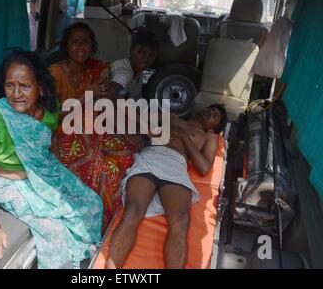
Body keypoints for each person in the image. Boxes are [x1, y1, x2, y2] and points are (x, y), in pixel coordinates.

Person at [0, 50, 103, 269]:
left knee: (92, 204)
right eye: (10, 85)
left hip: (44, 173)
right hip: (10, 182)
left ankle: (82, 259)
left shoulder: (50, 111)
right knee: (54, 231)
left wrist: (62, 175)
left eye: (25, 86)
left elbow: (49, 142)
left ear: (40, 88)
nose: (16, 94)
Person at [106, 104, 228, 269]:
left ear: (214, 128)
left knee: (181, 220)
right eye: (210, 108)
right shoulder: (171, 118)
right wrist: (149, 128)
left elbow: (204, 167)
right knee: (133, 210)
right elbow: (135, 115)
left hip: (176, 164)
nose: (210, 111)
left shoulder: (209, 138)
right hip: (151, 156)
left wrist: (184, 136)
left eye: (215, 116)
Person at [48, 23, 138, 232]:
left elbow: (121, 70)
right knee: (105, 169)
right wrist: (87, 94)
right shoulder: (54, 73)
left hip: (92, 130)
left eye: (86, 43)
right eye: (75, 42)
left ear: (92, 46)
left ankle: (117, 219)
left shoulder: (96, 70)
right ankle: (96, 225)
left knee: (128, 154)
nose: (81, 47)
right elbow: (52, 117)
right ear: (66, 46)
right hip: (63, 134)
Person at [106, 28, 159, 102]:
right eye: (141, 52)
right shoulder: (125, 73)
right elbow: (107, 101)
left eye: (151, 55)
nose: (146, 58)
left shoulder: (132, 66)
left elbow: (125, 94)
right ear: (131, 50)